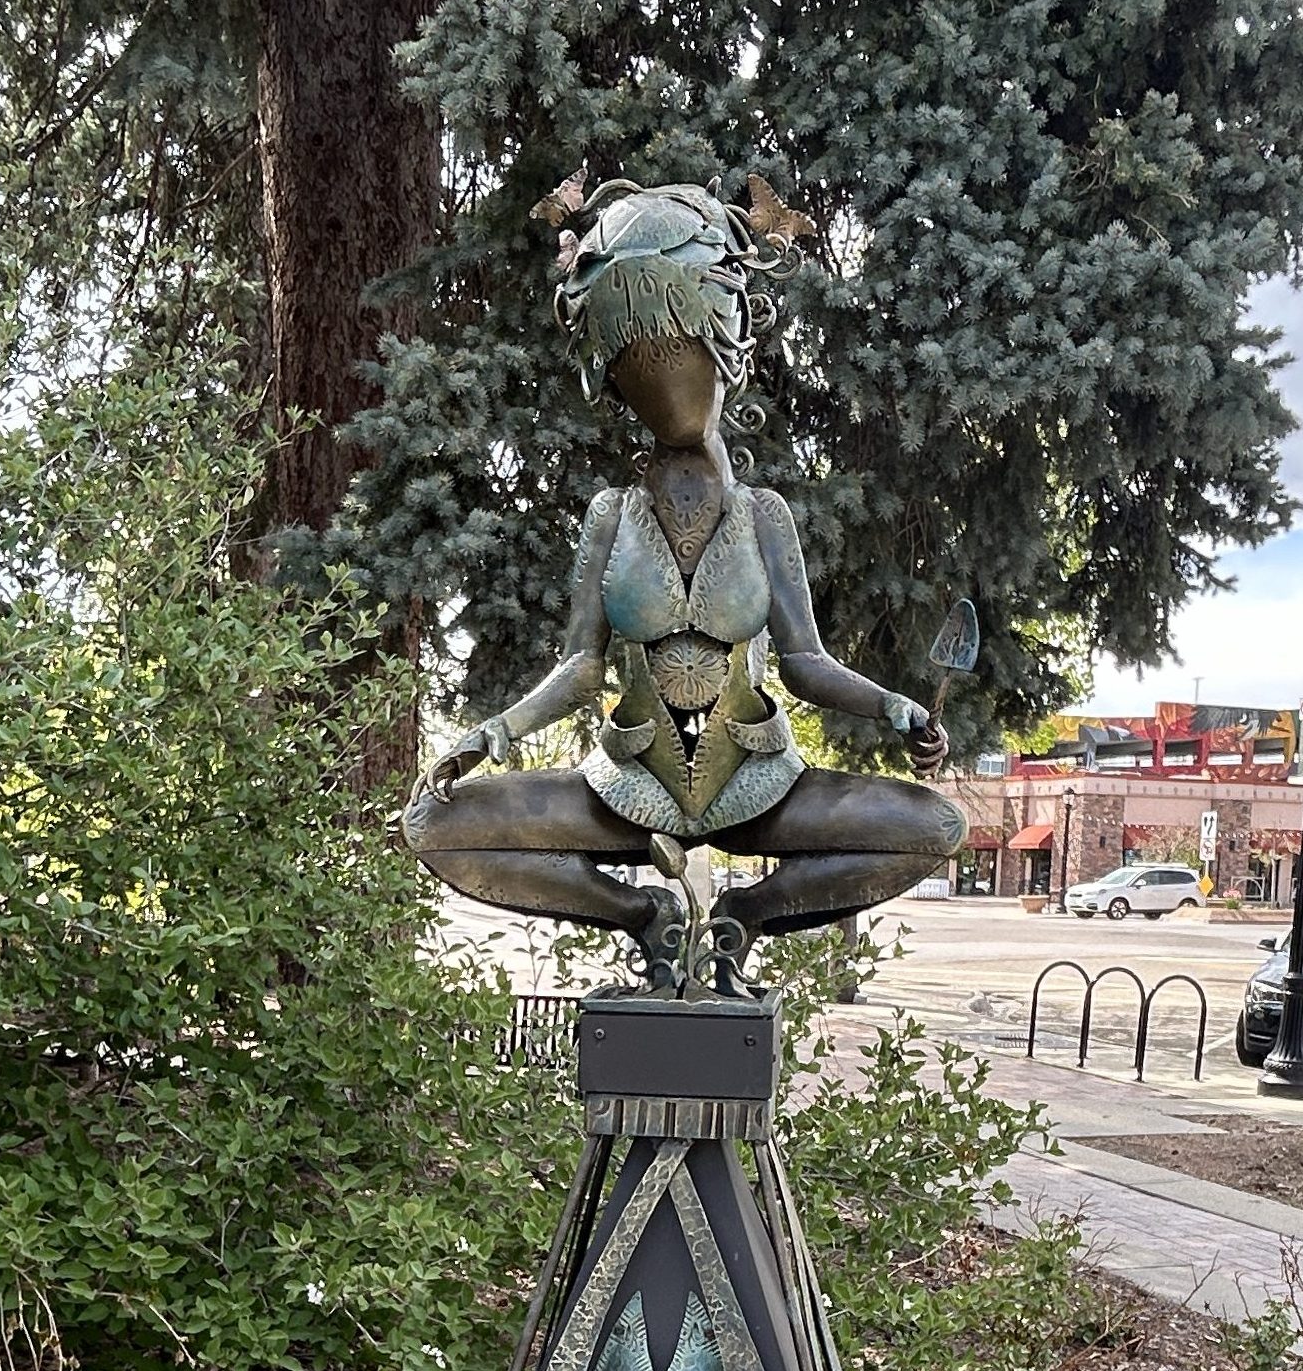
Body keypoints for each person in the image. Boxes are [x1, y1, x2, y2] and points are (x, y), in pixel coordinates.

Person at [402, 178, 965, 990]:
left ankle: (746, 919)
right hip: (627, 789)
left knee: (933, 825)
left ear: (727, 345)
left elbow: (805, 662)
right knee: (430, 825)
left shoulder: (765, 516)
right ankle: (646, 922)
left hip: (759, 785)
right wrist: (489, 734)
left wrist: (892, 706)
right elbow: (579, 669)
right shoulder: (610, 516)